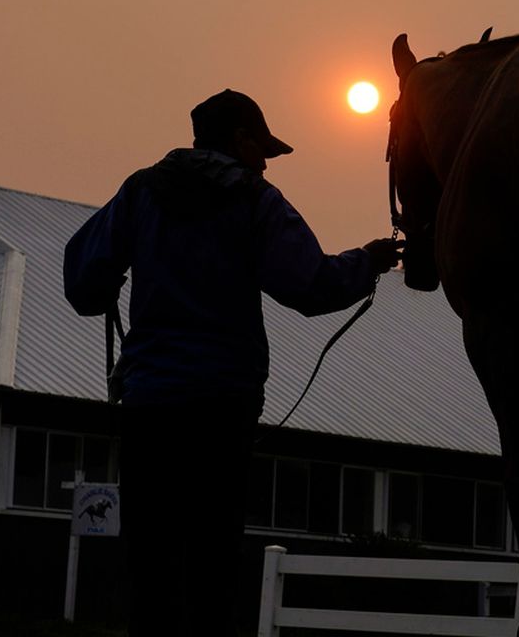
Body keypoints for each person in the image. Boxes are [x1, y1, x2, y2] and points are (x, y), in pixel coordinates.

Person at [63, 88, 401, 636]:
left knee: (150, 553)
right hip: (222, 402)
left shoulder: (140, 192)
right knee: (213, 552)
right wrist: (370, 261)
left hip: (148, 401)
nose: (265, 160)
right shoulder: (255, 200)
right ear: (240, 140)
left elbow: (82, 282)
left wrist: (111, 282)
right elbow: (309, 286)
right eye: (261, 147)